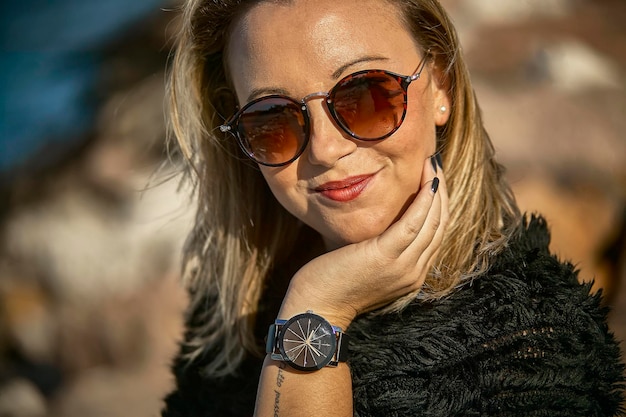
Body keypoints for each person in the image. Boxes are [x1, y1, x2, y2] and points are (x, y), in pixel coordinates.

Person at [161, 0, 625, 415]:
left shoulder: (535, 349)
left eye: (365, 95)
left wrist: (317, 311)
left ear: (440, 85)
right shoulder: (232, 317)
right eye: (272, 117)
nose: (325, 149)